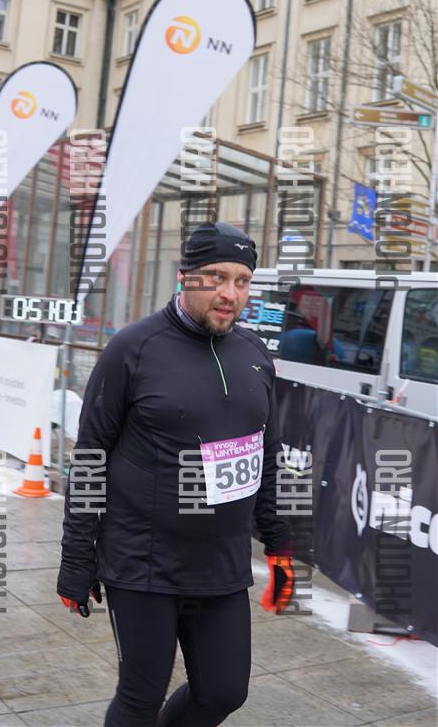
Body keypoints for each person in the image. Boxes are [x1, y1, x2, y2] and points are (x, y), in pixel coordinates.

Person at [57, 222, 294, 727]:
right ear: (185, 276)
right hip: (143, 560)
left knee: (223, 692)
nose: (230, 294)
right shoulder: (133, 348)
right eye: (216, 277)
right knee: (140, 698)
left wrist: (279, 546)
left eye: (242, 281)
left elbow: (267, 454)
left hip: (221, 563)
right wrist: (77, 560)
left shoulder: (255, 354)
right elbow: (91, 455)